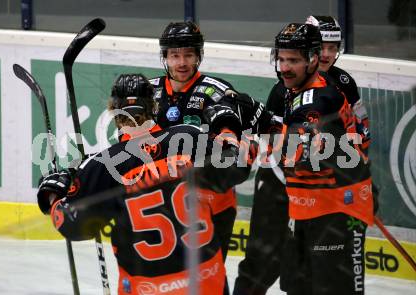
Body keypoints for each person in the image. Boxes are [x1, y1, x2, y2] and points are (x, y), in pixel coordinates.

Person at [36, 74, 252, 295]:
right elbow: (237, 168)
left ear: (113, 112)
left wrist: (54, 197)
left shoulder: (102, 166)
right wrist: (227, 128)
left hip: (146, 287)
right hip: (205, 280)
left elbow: (72, 225)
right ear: (154, 106)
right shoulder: (189, 137)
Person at [233, 16, 375, 295]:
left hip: (332, 198)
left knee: (332, 279)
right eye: (283, 59)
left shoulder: (326, 93)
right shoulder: (289, 88)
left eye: (331, 47)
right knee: (293, 275)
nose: (326, 54)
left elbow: (305, 146)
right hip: (301, 191)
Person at [150, 21, 242, 268]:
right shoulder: (149, 92)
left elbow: (229, 137)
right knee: (170, 277)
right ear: (165, 57)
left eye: (189, 55)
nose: (181, 63)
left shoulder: (217, 90)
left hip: (210, 200)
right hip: (164, 200)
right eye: (175, 55)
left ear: (199, 55)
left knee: (209, 275)